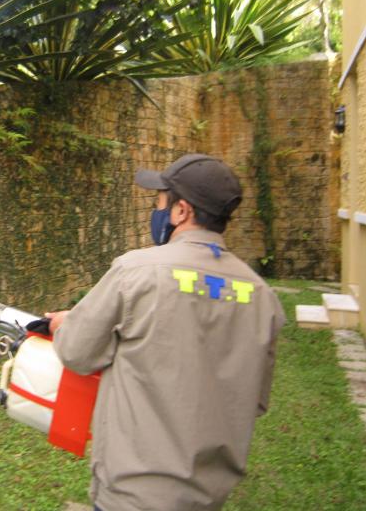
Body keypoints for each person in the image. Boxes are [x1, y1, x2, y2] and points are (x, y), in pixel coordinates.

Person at [45, 153, 285, 511]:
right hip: (207, 499)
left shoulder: (136, 272)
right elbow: (256, 401)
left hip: (131, 496)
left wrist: (66, 325)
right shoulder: (263, 298)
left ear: (181, 211)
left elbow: (78, 353)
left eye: (159, 201)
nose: (155, 210)